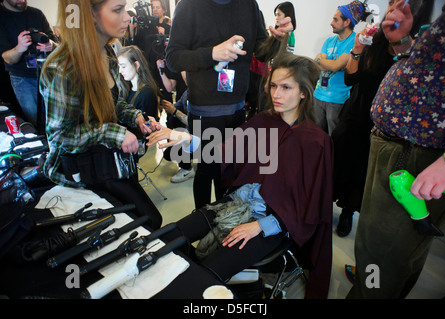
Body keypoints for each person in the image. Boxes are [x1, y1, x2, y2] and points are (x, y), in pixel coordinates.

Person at [147, 53, 334, 299]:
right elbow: (224, 149)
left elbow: (308, 207)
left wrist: (259, 226)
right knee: (167, 239)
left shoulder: (316, 143)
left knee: (205, 275)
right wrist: (187, 138)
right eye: (274, 85)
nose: (276, 94)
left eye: (286, 87)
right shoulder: (264, 122)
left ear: (303, 93)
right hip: (236, 203)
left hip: (273, 223)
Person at [347, 0, 445, 299]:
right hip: (397, 147)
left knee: (380, 251)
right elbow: (425, 70)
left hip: (417, 156)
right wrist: (402, 39)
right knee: (393, 250)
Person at [39, 0, 163, 229]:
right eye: (118, 10)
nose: (127, 17)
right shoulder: (63, 69)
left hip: (109, 162)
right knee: (148, 223)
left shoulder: (107, 53)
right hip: (82, 175)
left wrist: (135, 116)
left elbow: (110, 105)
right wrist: (113, 133)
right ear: (89, 16)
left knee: (151, 222)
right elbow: (59, 136)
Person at [165, 0, 293, 209]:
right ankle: (203, 224)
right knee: (207, 169)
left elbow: (260, 51)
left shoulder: (249, 5)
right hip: (204, 110)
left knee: (230, 169)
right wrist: (212, 54)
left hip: (237, 108)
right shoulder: (189, 5)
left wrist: (276, 39)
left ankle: (224, 221)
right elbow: (172, 58)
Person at [333, 0, 435, 237]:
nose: (394, 6)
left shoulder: (418, 47)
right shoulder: (374, 39)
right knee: (338, 166)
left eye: (403, 3)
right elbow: (350, 79)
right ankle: (322, 208)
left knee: (362, 176)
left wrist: (400, 41)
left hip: (381, 130)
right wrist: (357, 49)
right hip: (354, 118)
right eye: (391, 2)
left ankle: (348, 212)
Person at [0, 0, 57, 127]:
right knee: (33, 121)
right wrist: (20, 47)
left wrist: (51, 45)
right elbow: (7, 58)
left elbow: (57, 45)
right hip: (22, 78)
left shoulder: (37, 14)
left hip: (47, 75)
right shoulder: (2, 16)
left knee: (54, 119)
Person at [313, 0, 366, 135]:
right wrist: (324, 62)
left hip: (337, 100)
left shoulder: (355, 42)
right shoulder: (329, 41)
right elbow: (316, 64)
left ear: (347, 22)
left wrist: (322, 59)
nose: (331, 22)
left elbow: (336, 66)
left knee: (333, 140)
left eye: (335, 19)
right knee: (314, 137)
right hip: (318, 95)